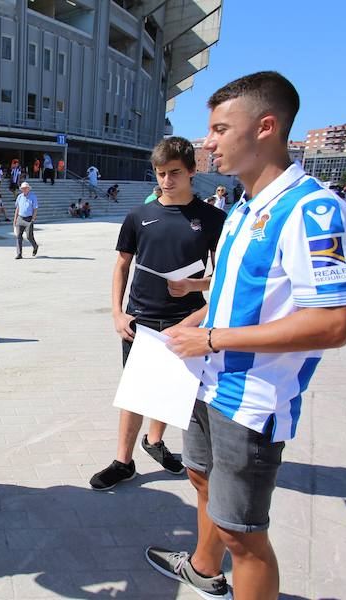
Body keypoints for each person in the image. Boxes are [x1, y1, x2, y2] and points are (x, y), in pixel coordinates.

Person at [146, 72, 346, 600]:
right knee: (199, 478)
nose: (208, 142)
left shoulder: (313, 211)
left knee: (245, 535)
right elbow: (231, 288)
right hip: (206, 380)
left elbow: (334, 323)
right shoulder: (243, 207)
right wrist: (192, 325)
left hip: (252, 399)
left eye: (220, 129)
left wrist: (213, 338)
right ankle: (202, 568)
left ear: (266, 127)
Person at [90, 136, 225, 494]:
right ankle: (123, 461)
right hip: (141, 319)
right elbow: (121, 266)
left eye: (175, 173)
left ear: (193, 171)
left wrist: (195, 287)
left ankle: (155, 441)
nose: (167, 181)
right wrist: (118, 313)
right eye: (161, 173)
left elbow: (226, 280)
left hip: (189, 321)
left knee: (172, 391)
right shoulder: (139, 216)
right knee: (135, 393)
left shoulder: (213, 219)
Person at [13, 181, 39, 259]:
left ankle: (35, 246)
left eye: (25, 188)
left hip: (29, 219)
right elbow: (17, 208)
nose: (24, 189)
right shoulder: (20, 197)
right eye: (22, 188)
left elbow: (35, 208)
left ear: (28, 189)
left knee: (29, 236)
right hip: (20, 218)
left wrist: (33, 219)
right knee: (18, 236)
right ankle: (19, 253)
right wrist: (15, 220)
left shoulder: (33, 196)